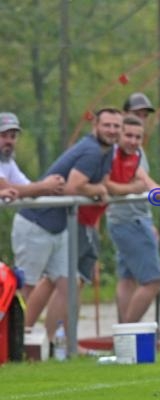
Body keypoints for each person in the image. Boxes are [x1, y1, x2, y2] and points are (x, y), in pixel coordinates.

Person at [12, 107, 121, 341]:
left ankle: (52, 344)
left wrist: (99, 188)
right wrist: (98, 190)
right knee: (26, 287)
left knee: (68, 284)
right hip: (36, 222)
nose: (112, 130)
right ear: (96, 127)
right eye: (107, 125)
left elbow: (100, 182)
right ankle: (12, 341)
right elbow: (73, 186)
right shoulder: (92, 150)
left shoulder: (108, 150)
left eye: (116, 126)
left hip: (59, 225)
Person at [105, 115, 160, 323]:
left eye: (137, 136)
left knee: (127, 278)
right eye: (128, 135)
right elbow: (110, 186)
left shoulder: (135, 153)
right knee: (153, 281)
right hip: (129, 220)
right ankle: (127, 334)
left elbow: (143, 179)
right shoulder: (111, 154)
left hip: (133, 219)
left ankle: (123, 335)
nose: (132, 140)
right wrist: (144, 188)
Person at [0, 112, 65, 205]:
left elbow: (27, 188)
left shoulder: (8, 161)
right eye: (3, 136)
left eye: (13, 136)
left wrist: (54, 184)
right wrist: (45, 186)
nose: (9, 141)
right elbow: (6, 189)